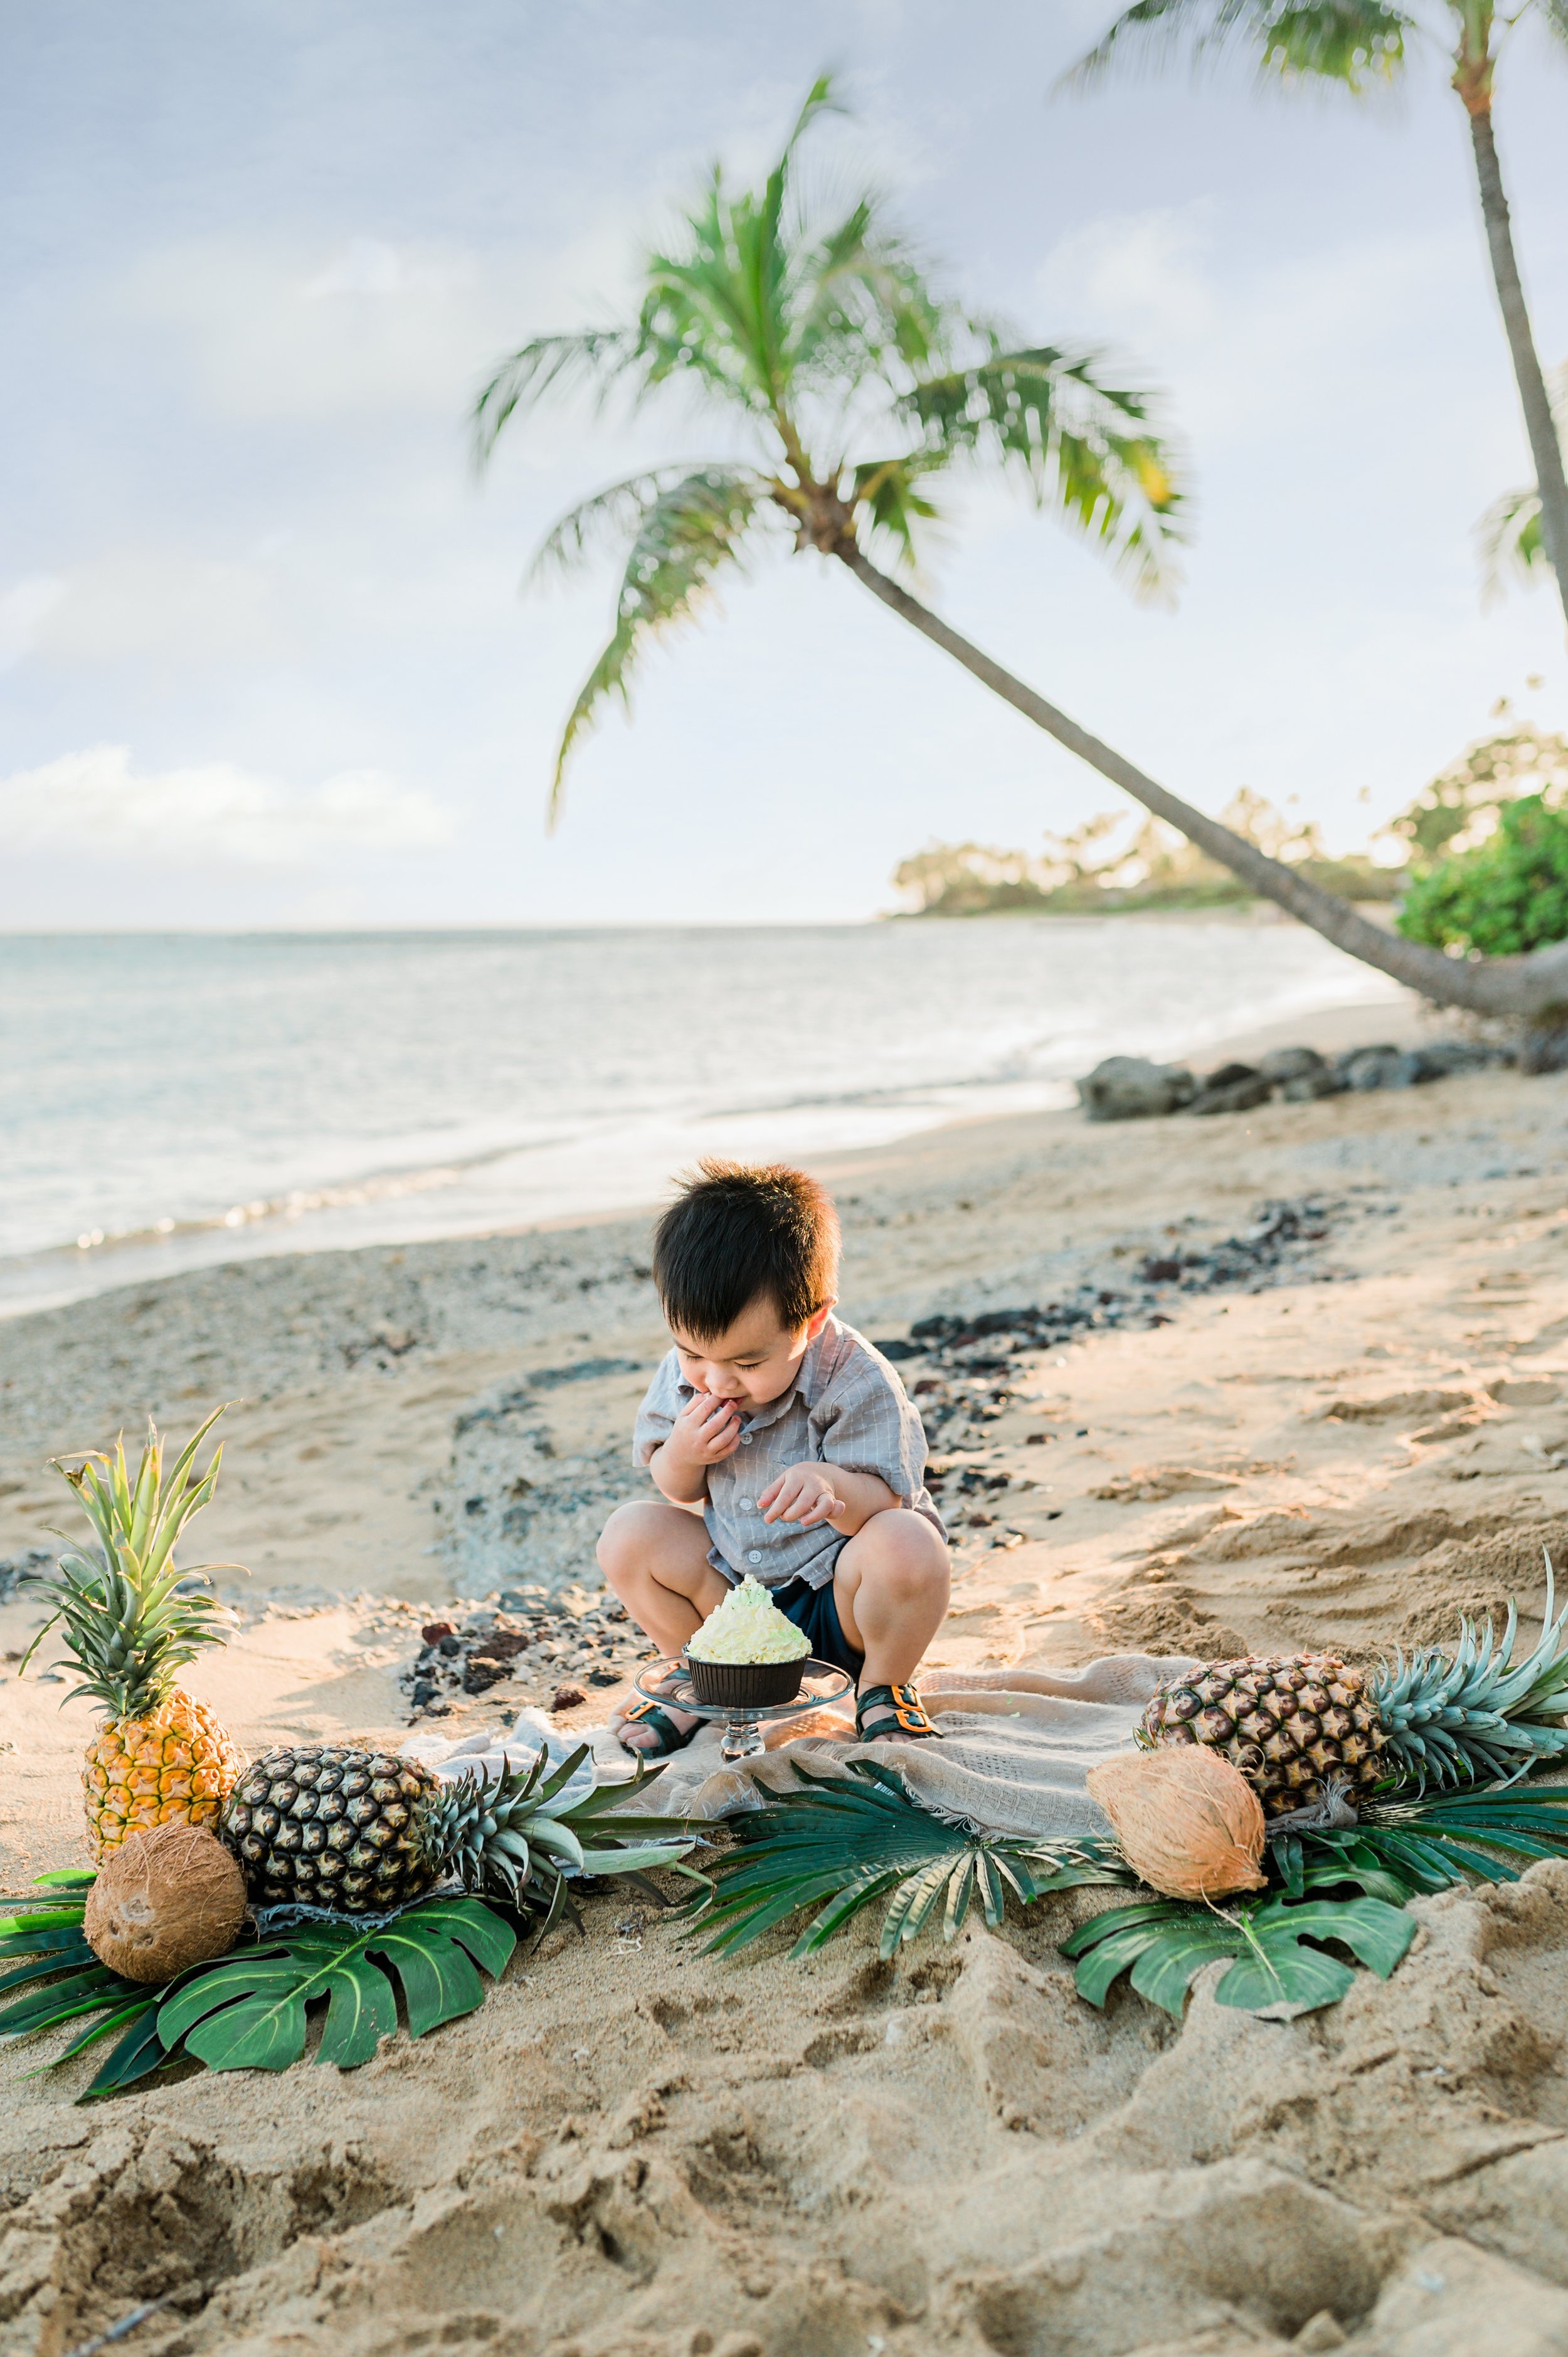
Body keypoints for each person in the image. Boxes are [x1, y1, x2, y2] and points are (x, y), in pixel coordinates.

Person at [598, 1159, 951, 1757]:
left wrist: (832, 1484)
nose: (717, 1380)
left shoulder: (855, 1376)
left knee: (909, 1542)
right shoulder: (692, 1369)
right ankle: (698, 1670)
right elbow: (676, 1490)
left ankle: (883, 1687)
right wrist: (684, 1452)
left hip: (839, 1602)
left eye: (747, 1363)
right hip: (732, 1598)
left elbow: (887, 1497)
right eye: (692, 1355)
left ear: (811, 1320)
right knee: (628, 1534)